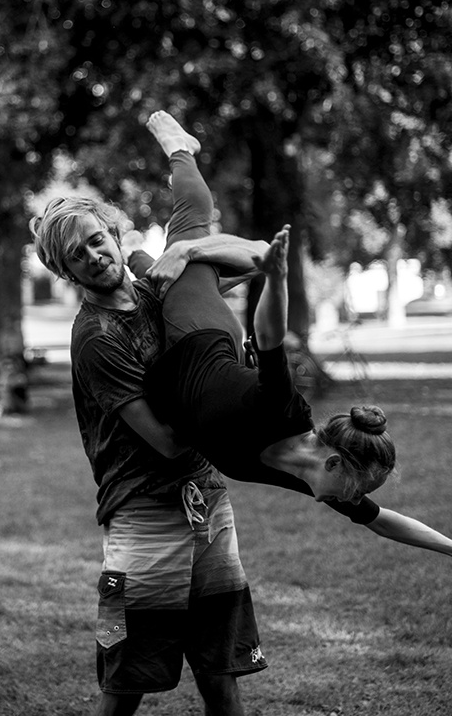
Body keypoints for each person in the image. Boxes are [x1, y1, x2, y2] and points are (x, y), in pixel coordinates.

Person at [30, 111, 273, 716]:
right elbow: (164, 442)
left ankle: (181, 152)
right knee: (127, 679)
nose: (92, 256)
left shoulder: (156, 283)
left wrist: (187, 248)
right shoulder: (96, 339)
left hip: (207, 500)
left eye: (96, 239)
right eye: (75, 254)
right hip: (143, 514)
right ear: (63, 271)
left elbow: (260, 259)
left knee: (221, 668)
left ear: (114, 235)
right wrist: (243, 427)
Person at [128, 117, 452, 560]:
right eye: (356, 489)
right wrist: (275, 279)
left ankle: (141, 252)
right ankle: (181, 149)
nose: (352, 499)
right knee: (187, 232)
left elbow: (382, 520)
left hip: (162, 363)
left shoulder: (306, 476)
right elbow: (269, 338)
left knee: (153, 276)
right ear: (335, 462)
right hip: (197, 334)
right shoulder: (285, 412)